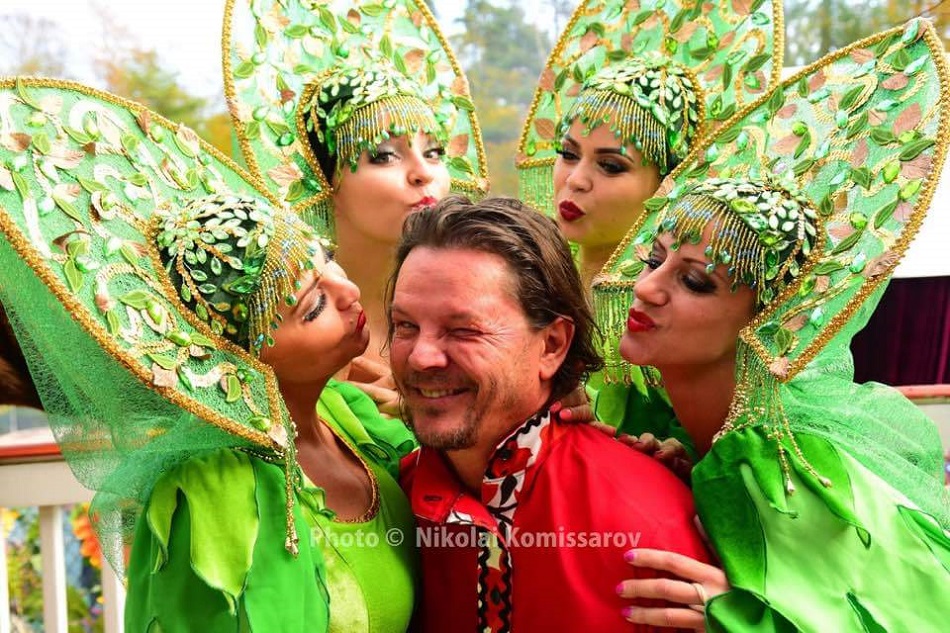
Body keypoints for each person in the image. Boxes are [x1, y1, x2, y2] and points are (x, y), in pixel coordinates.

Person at [0, 77, 417, 632]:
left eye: (328, 262)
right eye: (312, 306)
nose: (347, 293)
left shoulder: (352, 416)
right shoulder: (212, 493)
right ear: (238, 359)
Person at [594, 19, 950, 630]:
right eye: (655, 260)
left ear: (771, 321)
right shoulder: (717, 443)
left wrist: (734, 619)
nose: (647, 287)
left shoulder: (786, 468)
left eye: (695, 281)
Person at [388, 195, 711, 632]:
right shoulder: (391, 501)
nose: (422, 356)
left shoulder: (649, 533)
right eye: (405, 326)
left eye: (463, 330)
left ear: (553, 345)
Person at [516, 0, 783, 447]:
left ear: (668, 185)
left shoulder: (674, 309)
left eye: (611, 166)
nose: (574, 181)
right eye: (567, 154)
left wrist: (676, 453)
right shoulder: (529, 280)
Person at [223, 0, 489, 395]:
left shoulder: (484, 302)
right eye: (384, 156)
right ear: (321, 178)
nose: (423, 172)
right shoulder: (292, 345)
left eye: (434, 152)